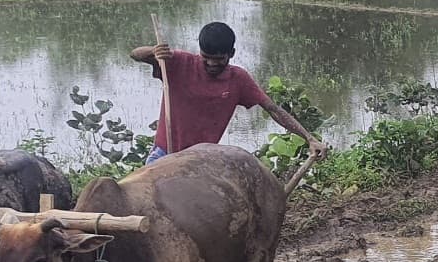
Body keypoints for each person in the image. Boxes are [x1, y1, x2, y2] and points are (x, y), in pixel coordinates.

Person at [128, 22, 326, 163]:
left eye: (219, 59)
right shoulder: (177, 62)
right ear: (200, 51)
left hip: (202, 159)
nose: (212, 64)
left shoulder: (239, 79)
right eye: (207, 58)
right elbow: (135, 54)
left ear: (231, 53)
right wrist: (153, 52)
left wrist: (309, 139)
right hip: (165, 154)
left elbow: (273, 109)